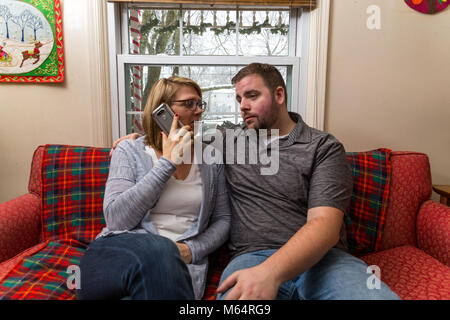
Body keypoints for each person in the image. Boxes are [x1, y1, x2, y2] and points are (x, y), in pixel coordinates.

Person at [112, 64, 400, 300]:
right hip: (251, 258)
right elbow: (175, 141)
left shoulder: (322, 147)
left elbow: (325, 227)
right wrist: (137, 138)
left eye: (252, 96)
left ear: (279, 94)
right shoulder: (225, 142)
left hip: (323, 259)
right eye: (239, 99)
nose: (243, 106)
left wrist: (271, 273)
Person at [76, 77, 231, 300]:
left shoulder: (211, 157)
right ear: (163, 110)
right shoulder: (129, 150)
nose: (198, 111)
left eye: (200, 104)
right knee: (160, 249)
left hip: (177, 266)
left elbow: (223, 219)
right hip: (118, 254)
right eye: (189, 104)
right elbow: (116, 220)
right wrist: (167, 163)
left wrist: (191, 250)